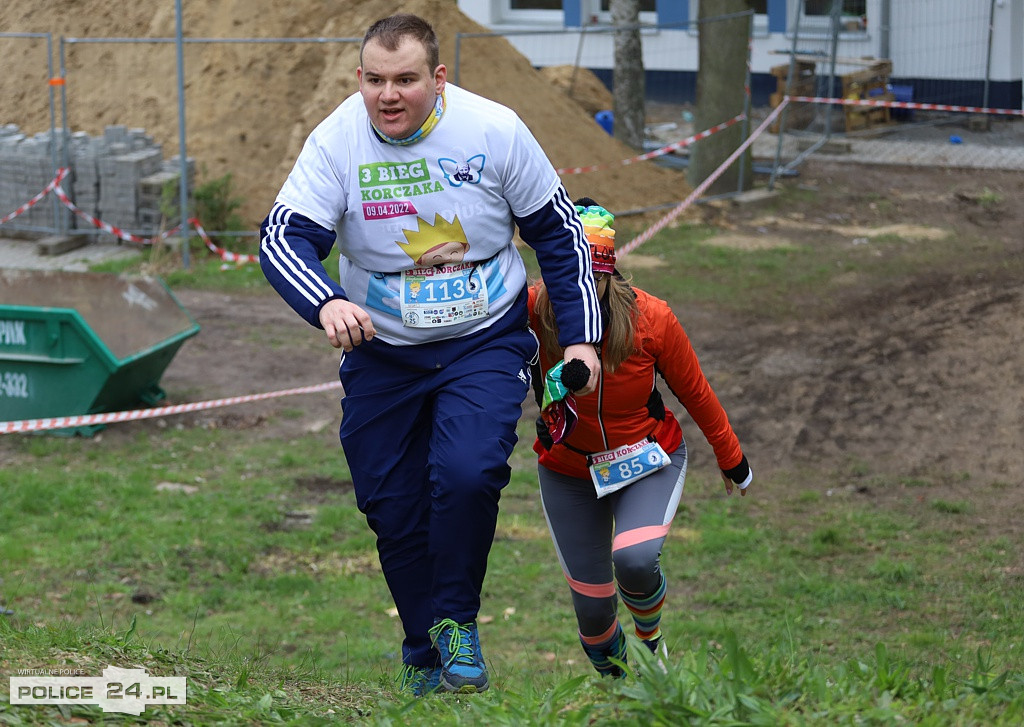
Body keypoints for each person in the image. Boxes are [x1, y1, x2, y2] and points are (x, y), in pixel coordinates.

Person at [258, 13, 602, 696]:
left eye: (406, 80)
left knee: (469, 471)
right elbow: (281, 238)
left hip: (483, 338)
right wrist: (327, 301)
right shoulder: (337, 140)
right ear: (359, 79)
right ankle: (422, 643)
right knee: (390, 501)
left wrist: (583, 338)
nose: (389, 94)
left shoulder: (494, 130)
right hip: (383, 350)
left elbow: (559, 234)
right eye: (376, 80)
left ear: (437, 78)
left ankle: (457, 623)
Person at [528, 198, 753, 678]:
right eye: (565, 280)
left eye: (589, 279)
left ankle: (652, 647)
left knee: (633, 558)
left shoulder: (652, 318)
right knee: (592, 616)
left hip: (650, 457)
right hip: (569, 472)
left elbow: (696, 392)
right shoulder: (532, 309)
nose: (578, 293)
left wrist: (731, 457)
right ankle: (622, 695)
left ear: (608, 272)